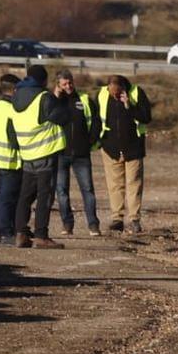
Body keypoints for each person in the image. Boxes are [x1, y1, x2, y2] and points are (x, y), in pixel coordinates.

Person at [5, 64, 65, 248]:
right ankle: (41, 235)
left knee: (25, 196)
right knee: (44, 195)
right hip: (45, 151)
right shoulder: (44, 97)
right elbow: (63, 117)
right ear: (43, 79)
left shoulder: (16, 97)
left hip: (27, 152)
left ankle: (21, 233)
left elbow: (11, 127)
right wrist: (62, 99)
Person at [97, 73, 151, 235]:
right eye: (110, 92)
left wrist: (129, 105)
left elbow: (146, 117)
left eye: (116, 93)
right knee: (115, 185)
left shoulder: (136, 93)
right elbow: (97, 119)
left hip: (133, 148)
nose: (113, 95)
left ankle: (134, 219)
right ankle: (117, 219)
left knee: (134, 184)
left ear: (123, 89)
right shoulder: (101, 95)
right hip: (110, 148)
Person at [50, 71, 102, 238]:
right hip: (60, 153)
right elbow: (49, 117)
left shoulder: (85, 100)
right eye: (64, 84)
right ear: (58, 85)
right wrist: (56, 96)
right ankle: (67, 224)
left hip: (81, 154)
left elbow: (96, 122)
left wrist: (90, 142)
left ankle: (93, 225)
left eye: (70, 83)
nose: (68, 86)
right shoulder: (54, 102)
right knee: (61, 191)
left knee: (87, 190)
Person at [0, 76, 23, 247]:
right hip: (11, 159)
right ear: (14, 90)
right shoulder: (11, 110)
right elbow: (15, 138)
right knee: (7, 198)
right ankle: (7, 232)